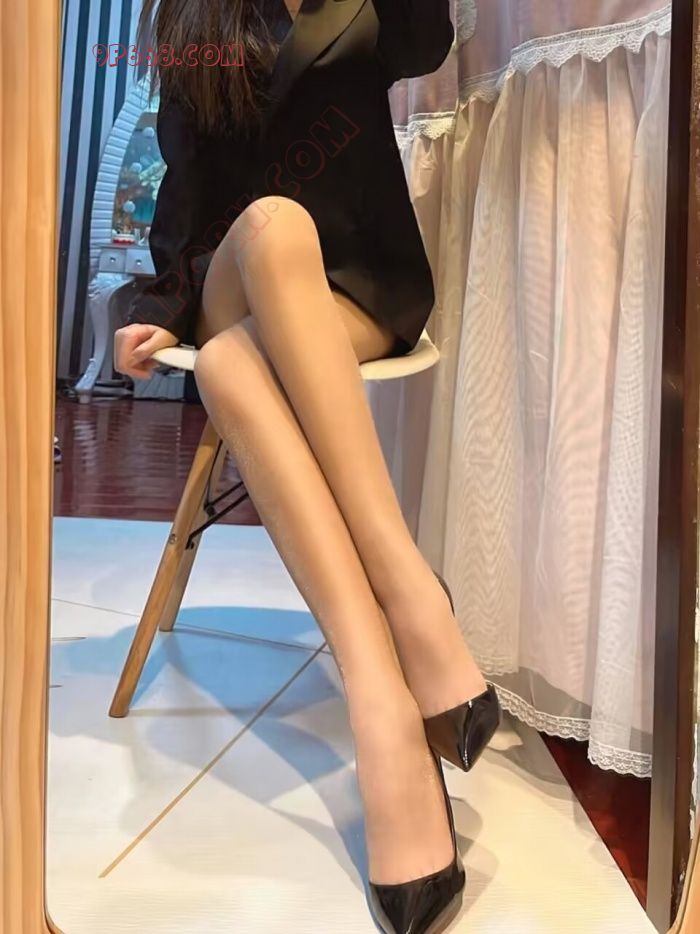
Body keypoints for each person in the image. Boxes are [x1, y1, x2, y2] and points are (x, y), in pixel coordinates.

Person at [114, 2, 501, 931]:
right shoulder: (199, 13)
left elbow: (425, 45)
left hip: (360, 286)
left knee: (229, 366)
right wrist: (162, 305)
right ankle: (414, 600)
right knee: (275, 225)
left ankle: (379, 694)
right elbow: (187, 176)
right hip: (238, 268)